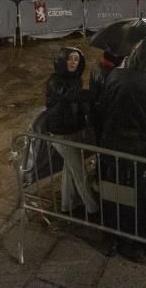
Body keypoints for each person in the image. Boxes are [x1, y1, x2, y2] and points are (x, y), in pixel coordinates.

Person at [98, 36, 146, 260]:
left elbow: (103, 108)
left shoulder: (115, 75)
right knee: (138, 195)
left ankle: (111, 237)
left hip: (112, 145)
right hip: (141, 151)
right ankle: (133, 242)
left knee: (113, 190)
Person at [45, 47, 99, 217]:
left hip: (74, 129)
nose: (73, 62)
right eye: (69, 59)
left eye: (76, 59)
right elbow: (68, 95)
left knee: (71, 168)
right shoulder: (54, 81)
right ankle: (93, 208)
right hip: (61, 132)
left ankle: (67, 204)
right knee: (79, 171)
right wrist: (93, 94)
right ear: (61, 61)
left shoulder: (76, 79)